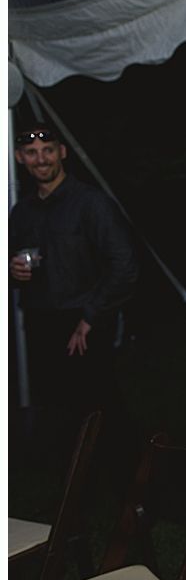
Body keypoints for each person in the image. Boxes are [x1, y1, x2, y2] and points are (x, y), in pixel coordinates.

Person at [9, 122, 138, 457]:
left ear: (61, 153)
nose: (41, 159)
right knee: (61, 413)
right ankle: (76, 492)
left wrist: (90, 317)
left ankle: (135, 492)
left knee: (103, 410)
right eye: (32, 153)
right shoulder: (21, 212)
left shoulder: (91, 203)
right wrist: (12, 270)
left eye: (48, 151)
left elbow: (124, 265)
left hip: (84, 324)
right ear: (20, 158)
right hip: (41, 323)